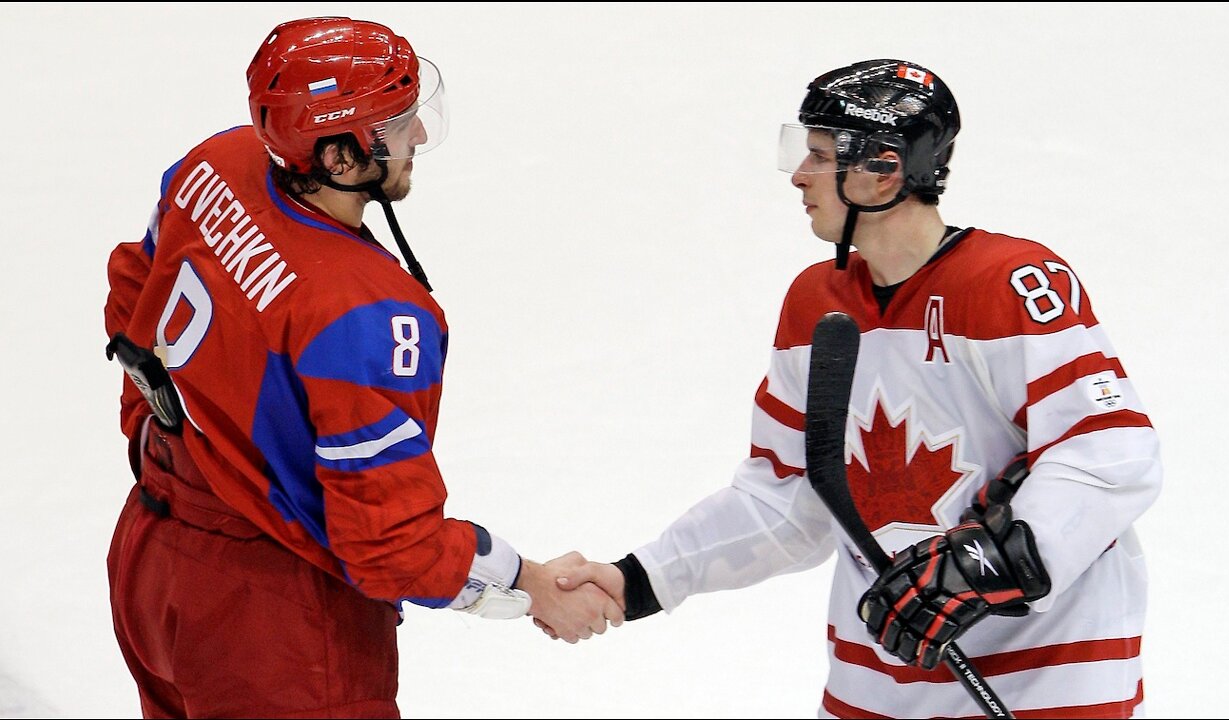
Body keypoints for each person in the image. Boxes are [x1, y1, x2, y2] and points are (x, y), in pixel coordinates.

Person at [552, 59, 1161, 718]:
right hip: (875, 684)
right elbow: (787, 501)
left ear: (885, 169)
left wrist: (986, 563)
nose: (798, 176)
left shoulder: (1010, 282)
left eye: (818, 155)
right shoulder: (816, 304)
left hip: (1047, 680)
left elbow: (1108, 453)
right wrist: (637, 579)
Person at [103, 17, 620, 719]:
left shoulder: (214, 166)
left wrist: (165, 446)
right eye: (399, 123)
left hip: (150, 559)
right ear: (341, 158)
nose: (421, 138)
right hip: (276, 633)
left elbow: (134, 289)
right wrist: (527, 582)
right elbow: (391, 549)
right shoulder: (368, 318)